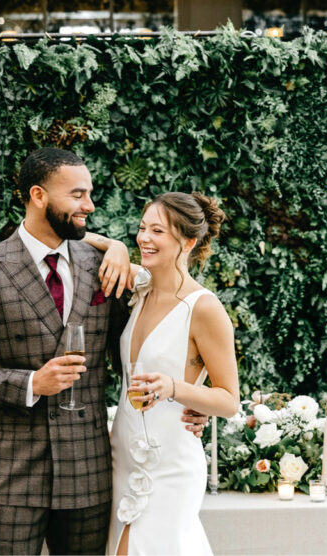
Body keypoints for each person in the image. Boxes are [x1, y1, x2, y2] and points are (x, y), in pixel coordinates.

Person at [0, 148, 207, 554]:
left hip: (89, 476)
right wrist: (32, 383)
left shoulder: (104, 267)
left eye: (90, 194)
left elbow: (136, 353)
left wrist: (190, 396)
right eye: (78, 195)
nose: (90, 205)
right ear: (38, 195)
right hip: (12, 478)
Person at [107, 192, 240, 555]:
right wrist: (116, 246)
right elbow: (78, 238)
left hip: (170, 465)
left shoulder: (204, 308)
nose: (144, 238)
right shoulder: (138, 287)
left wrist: (173, 387)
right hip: (123, 458)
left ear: (188, 242)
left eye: (158, 231)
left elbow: (229, 401)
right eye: (141, 228)